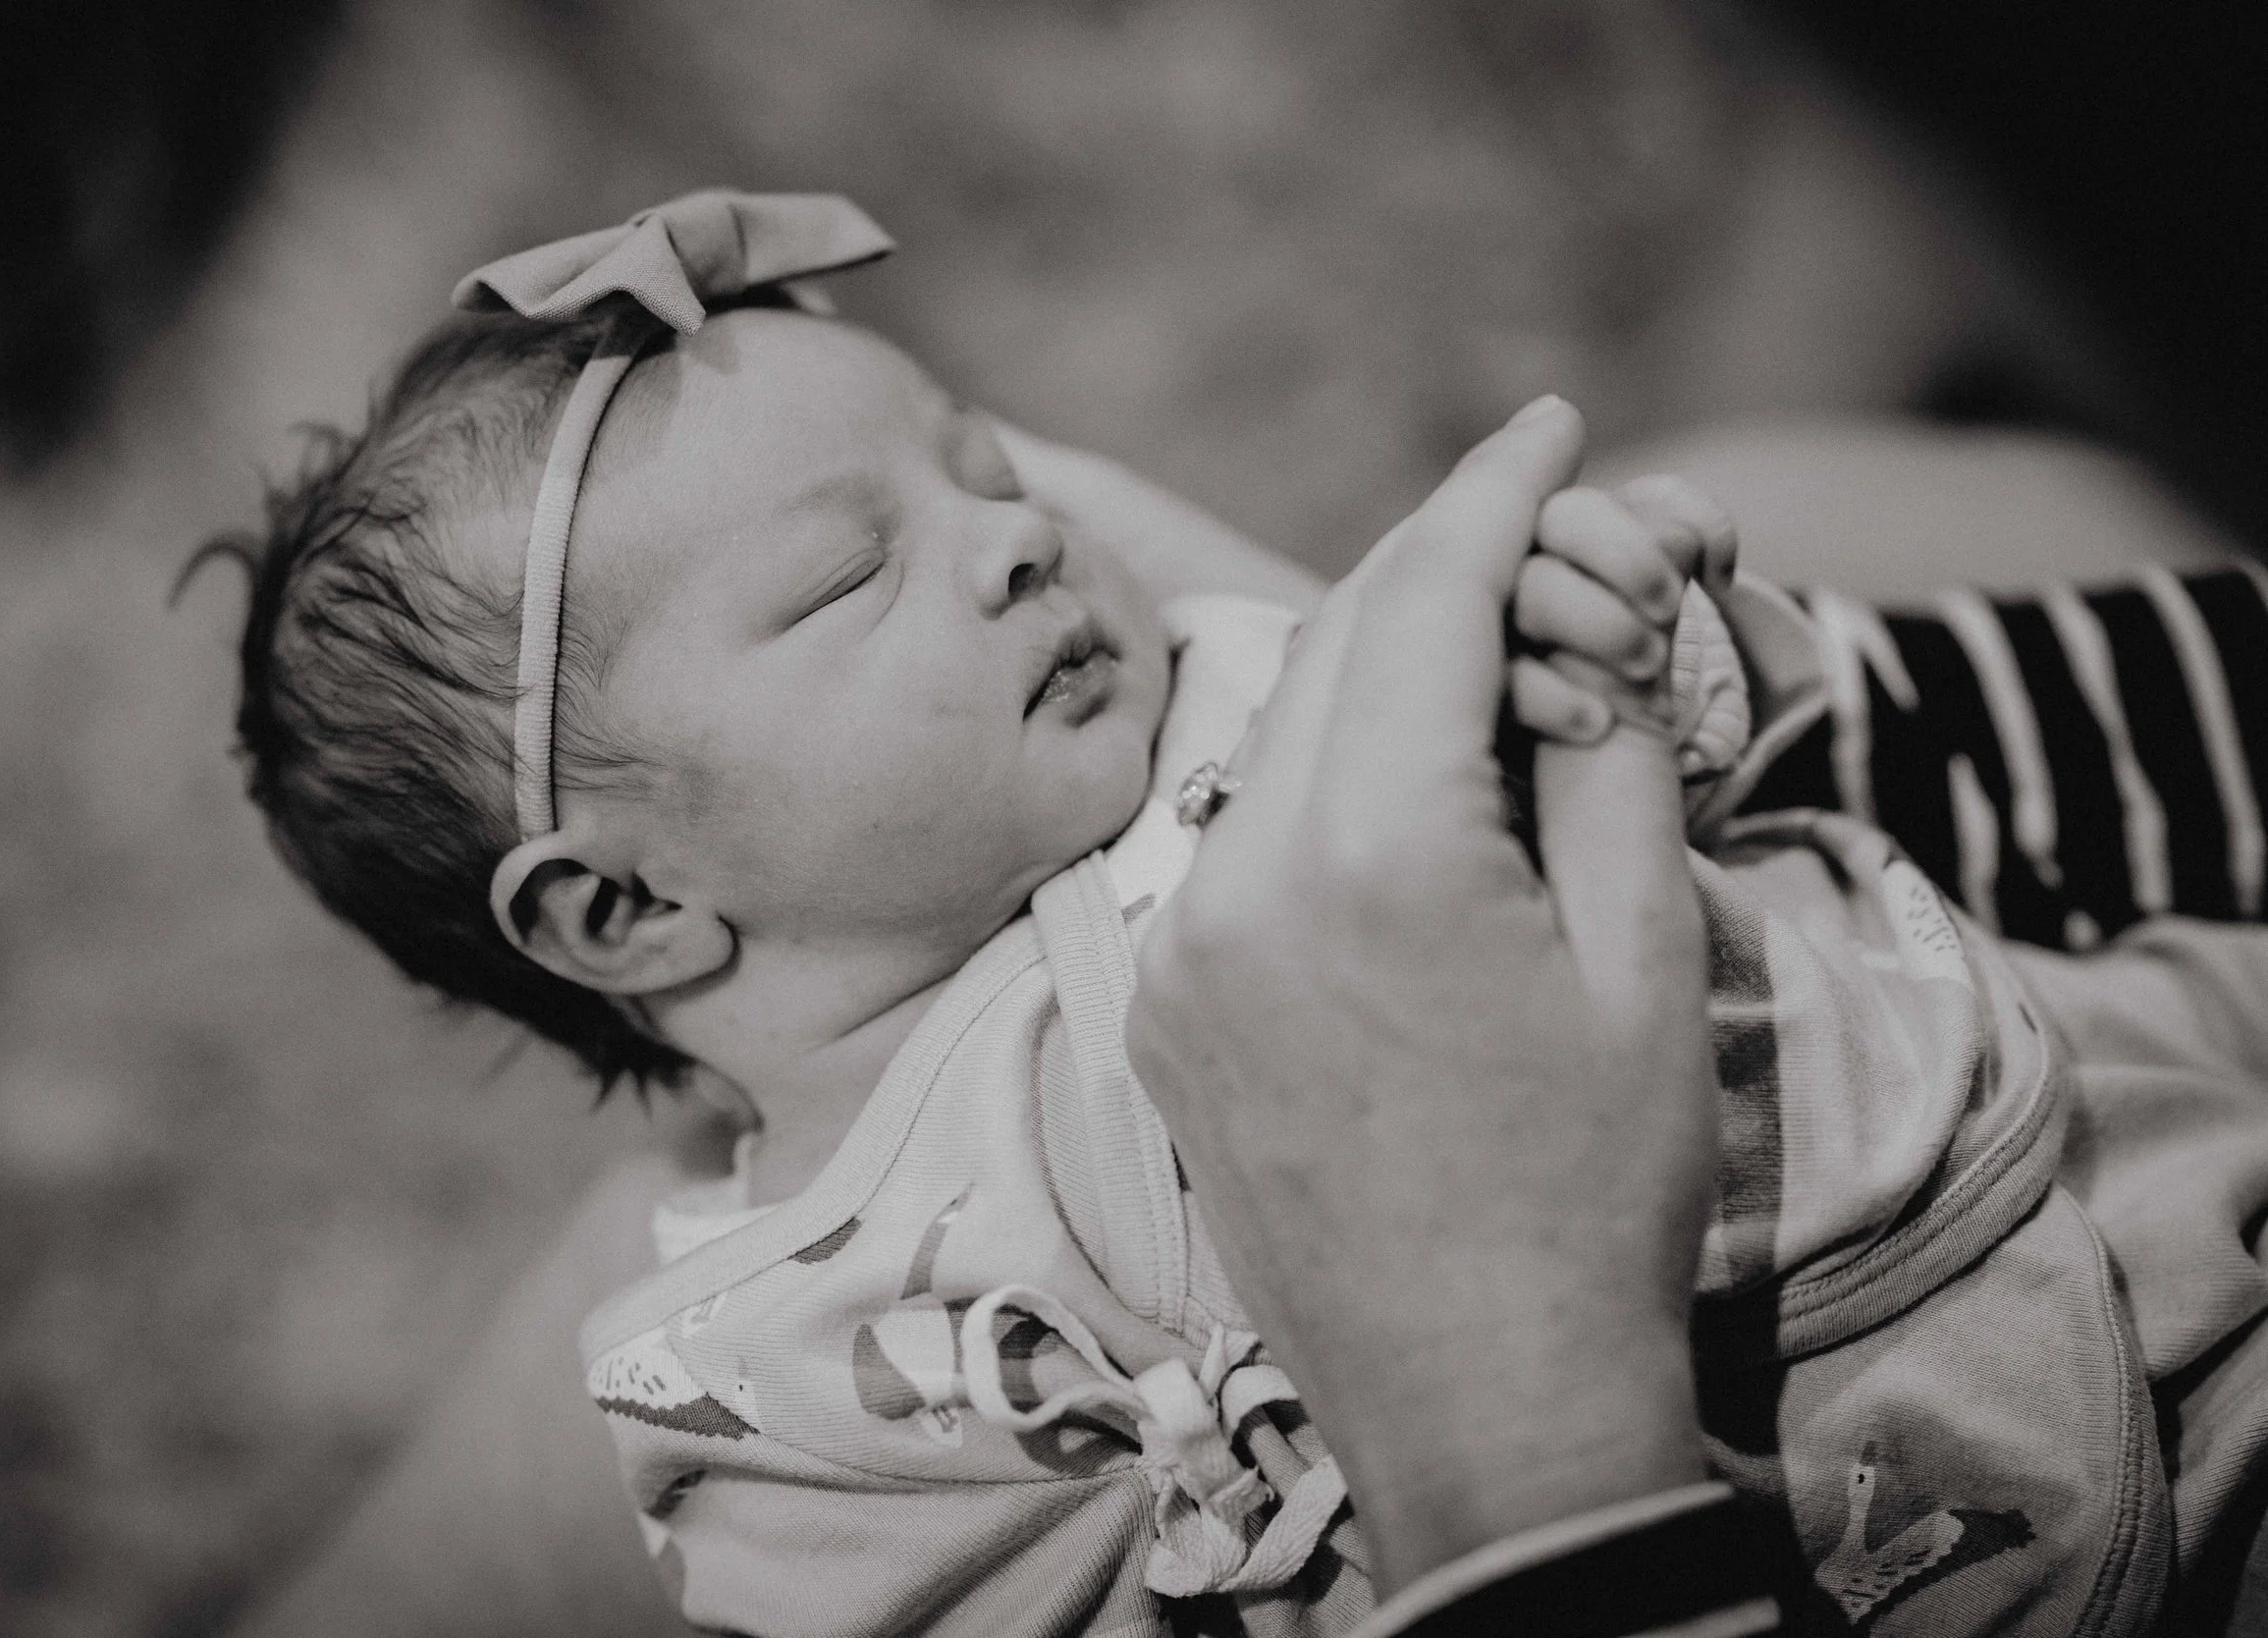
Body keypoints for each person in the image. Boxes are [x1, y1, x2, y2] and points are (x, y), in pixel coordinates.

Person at [210, 190, 2268, 1635]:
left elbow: (1687, 759)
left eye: (979, 471)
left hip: (2096, 1118)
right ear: (623, 908)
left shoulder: (1247, 691)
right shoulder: (773, 1374)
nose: (1018, 541)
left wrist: (1645, 653)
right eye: (848, 581)